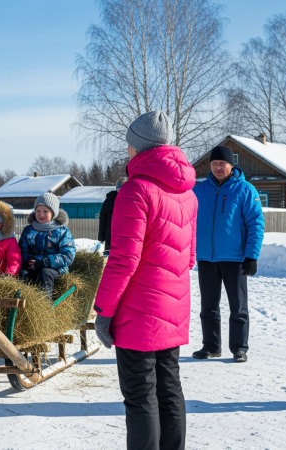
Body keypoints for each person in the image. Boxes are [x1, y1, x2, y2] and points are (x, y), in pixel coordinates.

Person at [94, 110, 197, 450]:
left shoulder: (136, 190)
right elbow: (189, 257)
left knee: (140, 396)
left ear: (137, 147)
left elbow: (123, 260)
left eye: (129, 144)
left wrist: (104, 311)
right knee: (169, 389)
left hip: (140, 312)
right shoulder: (188, 193)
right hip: (173, 308)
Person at [191, 145, 264, 363]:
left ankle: (239, 348)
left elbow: (255, 224)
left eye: (222, 163)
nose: (218, 167)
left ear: (231, 165)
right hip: (206, 258)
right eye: (214, 164)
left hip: (235, 258)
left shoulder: (245, 189)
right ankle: (211, 346)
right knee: (208, 307)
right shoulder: (199, 190)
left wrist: (252, 255)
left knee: (238, 307)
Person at [19, 192, 76, 298]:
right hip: (33, 265)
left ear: (53, 213)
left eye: (46, 211)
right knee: (23, 274)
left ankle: (44, 307)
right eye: (38, 211)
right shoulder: (29, 230)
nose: (41, 214)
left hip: (55, 268)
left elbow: (68, 255)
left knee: (44, 273)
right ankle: (23, 305)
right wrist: (28, 260)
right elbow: (22, 250)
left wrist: (45, 262)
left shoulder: (61, 231)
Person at [97, 176, 128, 254]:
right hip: (111, 236)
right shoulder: (109, 200)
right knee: (110, 258)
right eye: (118, 188)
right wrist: (101, 237)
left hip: (126, 236)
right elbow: (103, 219)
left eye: (121, 188)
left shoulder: (130, 200)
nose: (119, 191)